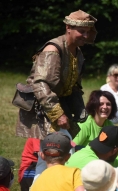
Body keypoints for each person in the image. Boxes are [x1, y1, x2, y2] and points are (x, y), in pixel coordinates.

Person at [15, 10, 97, 180]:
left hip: (61, 107)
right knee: (57, 154)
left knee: (56, 156)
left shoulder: (77, 53)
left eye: (88, 31)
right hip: (45, 110)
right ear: (68, 27)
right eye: (81, 31)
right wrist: (58, 114)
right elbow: (40, 84)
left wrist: (80, 109)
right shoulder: (53, 49)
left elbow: (73, 86)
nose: (85, 35)